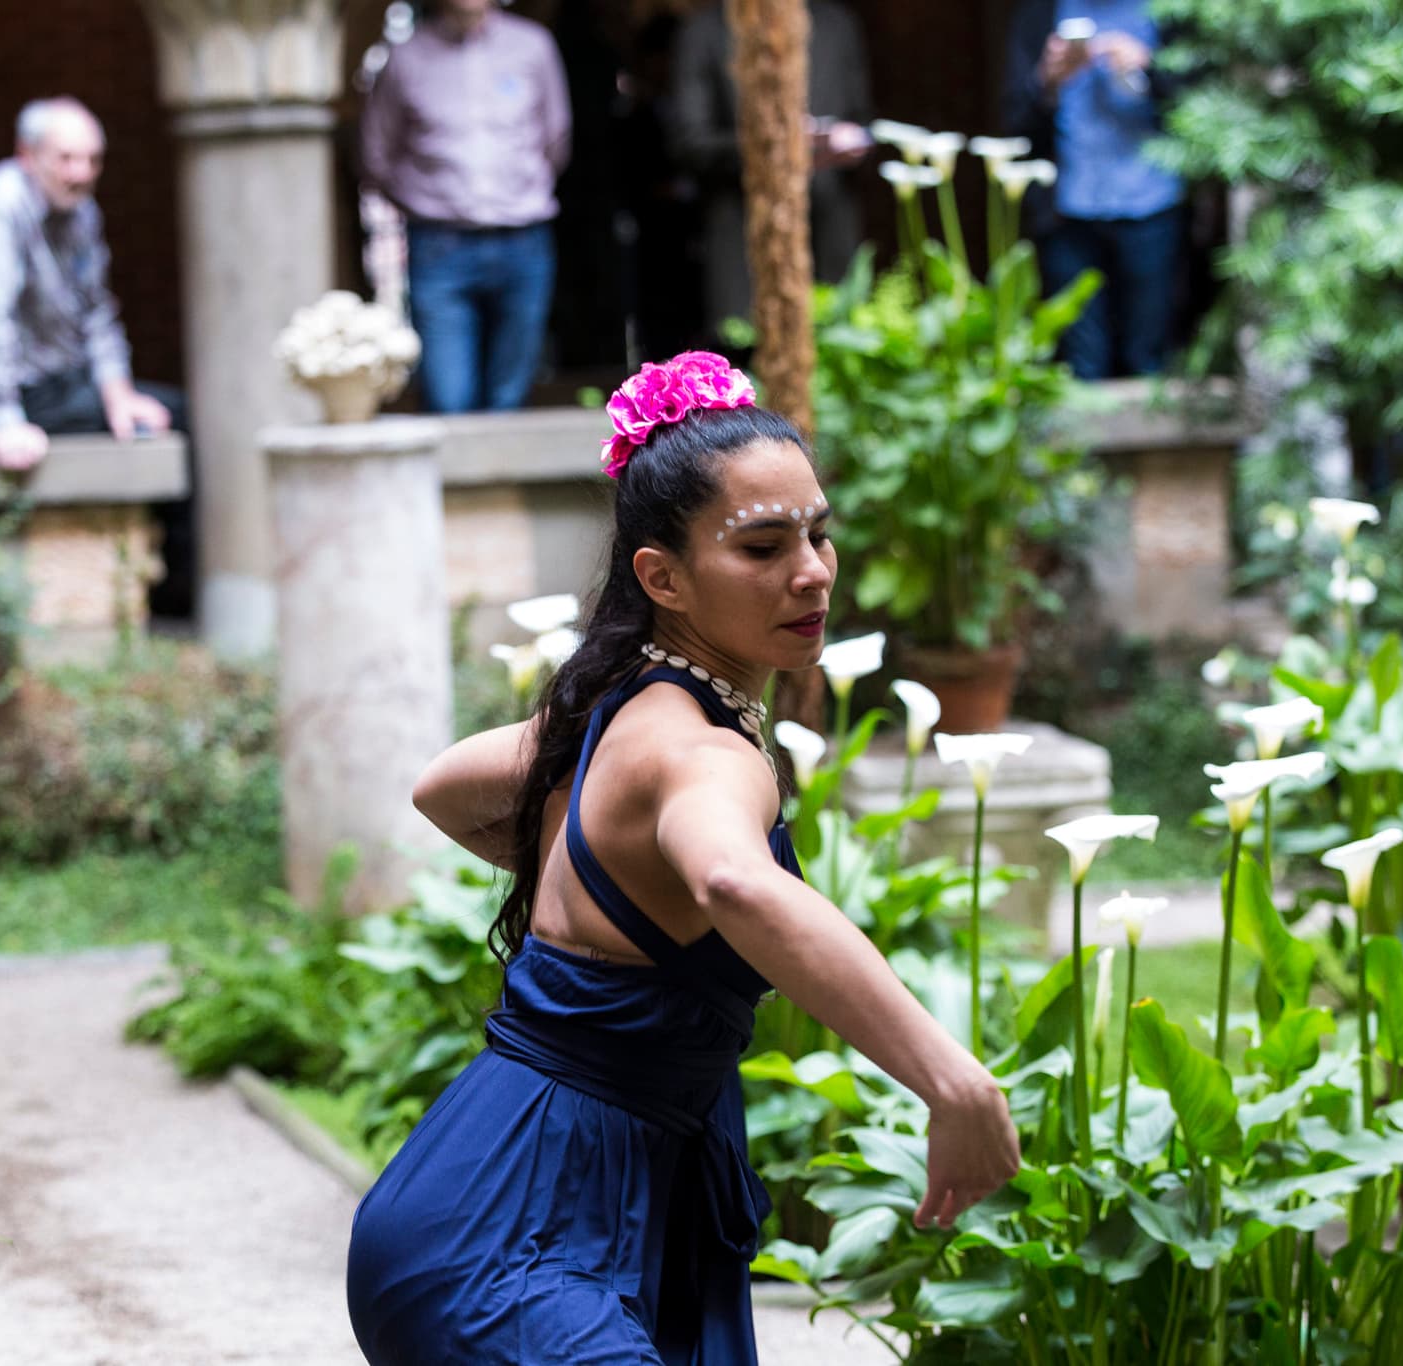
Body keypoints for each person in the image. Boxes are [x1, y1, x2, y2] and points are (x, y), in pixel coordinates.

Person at [347, 352, 1020, 1362]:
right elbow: (732, 879)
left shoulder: (616, 713)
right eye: (762, 546)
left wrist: (602, 887)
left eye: (818, 532)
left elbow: (443, 786)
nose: (811, 570)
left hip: (489, 1204)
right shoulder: (702, 752)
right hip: (508, 1248)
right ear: (661, 577)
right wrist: (953, 1082)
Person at [0, 96, 178, 472]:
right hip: (22, 391)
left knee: (166, 413)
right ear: (27, 154)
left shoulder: (81, 210)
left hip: (69, 381)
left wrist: (120, 397)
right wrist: (4, 422)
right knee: (182, 416)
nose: (82, 173)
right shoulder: (0, 205)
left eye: (93, 160)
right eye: (66, 158)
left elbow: (97, 313)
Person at [358, 0, 571, 414]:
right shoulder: (405, 58)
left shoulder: (533, 47)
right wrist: (425, 203)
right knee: (448, 398)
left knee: (510, 398)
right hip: (439, 245)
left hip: (524, 240)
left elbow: (555, 139)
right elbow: (376, 156)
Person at [670, 0, 873, 333]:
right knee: (743, 343)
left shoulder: (836, 24)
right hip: (742, 236)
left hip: (827, 230)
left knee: (840, 337)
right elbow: (689, 143)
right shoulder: (705, 31)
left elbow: (861, 118)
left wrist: (846, 142)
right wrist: (775, 145)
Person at [1004, 0, 1183, 379]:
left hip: (1151, 200)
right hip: (1068, 208)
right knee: (1081, 360)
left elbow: (1204, 108)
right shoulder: (1041, 13)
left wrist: (1148, 70)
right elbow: (1015, 123)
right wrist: (1048, 81)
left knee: (1148, 355)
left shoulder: (1169, 11)